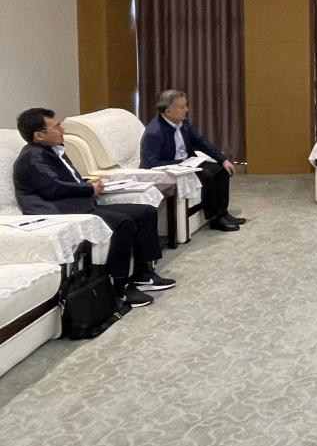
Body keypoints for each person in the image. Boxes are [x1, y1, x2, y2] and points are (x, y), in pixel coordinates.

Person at [13, 108, 176, 308]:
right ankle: (119, 287)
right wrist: (89, 189)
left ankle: (143, 274)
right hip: (58, 212)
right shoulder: (32, 157)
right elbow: (53, 188)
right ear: (39, 136)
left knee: (145, 211)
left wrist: (88, 183)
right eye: (56, 126)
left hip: (77, 205)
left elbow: (66, 181)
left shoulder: (52, 149)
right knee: (122, 223)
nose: (62, 129)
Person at [139, 89, 246, 232]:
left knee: (221, 170)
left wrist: (223, 160)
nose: (186, 109)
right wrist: (181, 163)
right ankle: (215, 218)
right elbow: (149, 164)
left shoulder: (182, 123)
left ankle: (222, 213)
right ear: (168, 111)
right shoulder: (154, 132)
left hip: (187, 163)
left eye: (186, 105)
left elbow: (201, 142)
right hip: (170, 170)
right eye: (182, 107)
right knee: (207, 176)